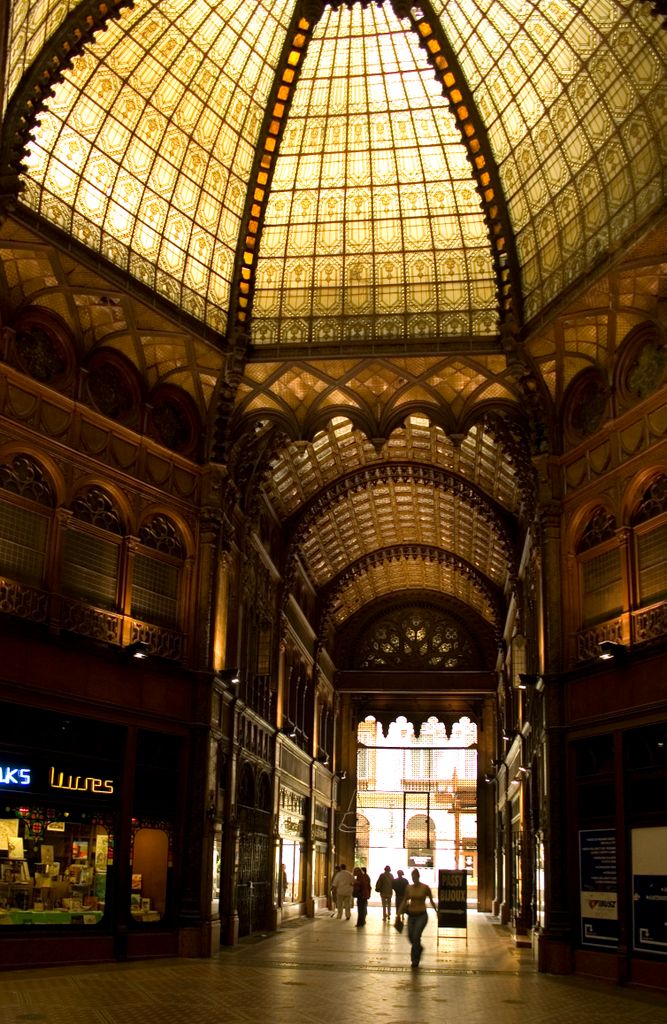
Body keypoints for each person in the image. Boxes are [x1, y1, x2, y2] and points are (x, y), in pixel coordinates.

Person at [398, 867, 437, 968]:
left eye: (415, 876)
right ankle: (419, 948)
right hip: (411, 915)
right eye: (412, 877)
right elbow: (404, 901)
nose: (414, 878)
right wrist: (399, 913)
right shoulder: (409, 888)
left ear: (418, 876)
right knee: (410, 936)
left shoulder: (425, 887)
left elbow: (431, 901)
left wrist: (436, 911)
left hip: (422, 915)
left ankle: (415, 959)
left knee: (416, 936)